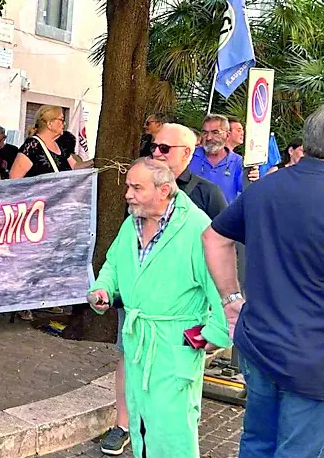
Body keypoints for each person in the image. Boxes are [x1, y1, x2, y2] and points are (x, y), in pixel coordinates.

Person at [203, 103, 324, 458]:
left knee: (256, 446)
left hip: (261, 344)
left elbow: (214, 237)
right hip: (322, 364)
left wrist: (230, 299)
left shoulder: (267, 186)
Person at [88, 158, 231, 458]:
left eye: (136, 188)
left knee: (173, 430)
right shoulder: (132, 223)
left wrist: (212, 334)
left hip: (174, 342)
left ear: (164, 189)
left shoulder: (197, 226)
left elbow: (220, 285)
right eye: (128, 186)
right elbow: (113, 264)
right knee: (140, 424)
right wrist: (102, 289)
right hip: (138, 339)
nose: (128, 194)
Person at [189, 114, 258, 204]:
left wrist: (253, 178)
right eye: (205, 133)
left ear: (227, 135)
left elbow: (248, 194)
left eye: (215, 132)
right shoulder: (189, 156)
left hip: (222, 217)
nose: (209, 138)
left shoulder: (238, 162)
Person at [10, 105, 76, 178]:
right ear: (50, 123)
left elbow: (75, 167)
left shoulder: (60, 145)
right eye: (61, 120)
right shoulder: (32, 145)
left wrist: (90, 162)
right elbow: (14, 178)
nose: (64, 123)